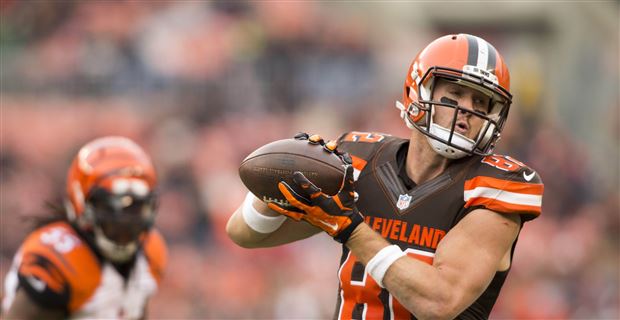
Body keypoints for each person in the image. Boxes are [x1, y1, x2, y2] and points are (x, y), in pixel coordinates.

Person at [226, 33, 543, 319]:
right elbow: (244, 233)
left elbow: (439, 302)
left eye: (481, 102)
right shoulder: (362, 162)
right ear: (418, 92)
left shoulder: (497, 187)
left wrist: (351, 229)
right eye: (454, 95)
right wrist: (287, 177)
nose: (467, 112)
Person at [2, 136, 167, 319]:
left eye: (135, 210)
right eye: (113, 212)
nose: (126, 224)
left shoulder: (151, 254)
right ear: (82, 204)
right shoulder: (60, 259)